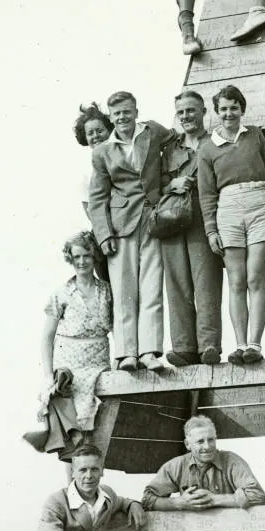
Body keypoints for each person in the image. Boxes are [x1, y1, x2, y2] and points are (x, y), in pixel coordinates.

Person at [88, 91, 172, 373]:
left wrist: (168, 184)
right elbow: (97, 198)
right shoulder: (102, 152)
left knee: (151, 287)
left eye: (126, 112)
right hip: (120, 225)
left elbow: (175, 144)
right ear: (111, 119)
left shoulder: (153, 131)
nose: (122, 118)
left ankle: (150, 351)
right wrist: (104, 235)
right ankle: (126, 354)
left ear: (136, 111)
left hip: (153, 218)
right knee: (124, 291)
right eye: (117, 114)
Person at [197, 84, 265, 364]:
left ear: (242, 109)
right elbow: (206, 192)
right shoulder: (206, 147)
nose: (229, 113)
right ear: (216, 113)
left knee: (256, 278)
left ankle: (255, 344)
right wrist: (211, 229)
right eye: (223, 109)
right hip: (227, 208)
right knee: (237, 281)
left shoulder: (254, 135)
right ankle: (240, 345)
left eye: (234, 108)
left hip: (260, 203)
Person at [28, 231, 112, 459]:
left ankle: (88, 484)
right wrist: (48, 376)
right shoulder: (62, 293)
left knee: (95, 425)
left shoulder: (106, 290)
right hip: (69, 366)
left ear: (94, 256)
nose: (82, 262)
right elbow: (47, 336)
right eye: (77, 257)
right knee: (70, 433)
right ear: (70, 259)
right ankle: (71, 488)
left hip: (97, 362)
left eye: (86, 255)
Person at [160, 90, 224, 367]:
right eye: (181, 112)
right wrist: (171, 185)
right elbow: (154, 184)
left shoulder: (215, 142)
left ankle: (209, 344)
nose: (186, 116)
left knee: (205, 280)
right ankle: (184, 347)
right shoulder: (170, 149)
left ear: (203, 112)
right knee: (176, 282)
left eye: (191, 110)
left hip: (203, 212)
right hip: (173, 214)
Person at [72, 102, 113, 282]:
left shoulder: (121, 155)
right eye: (90, 133)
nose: (96, 136)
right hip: (104, 231)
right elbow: (89, 208)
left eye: (100, 131)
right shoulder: (84, 170)